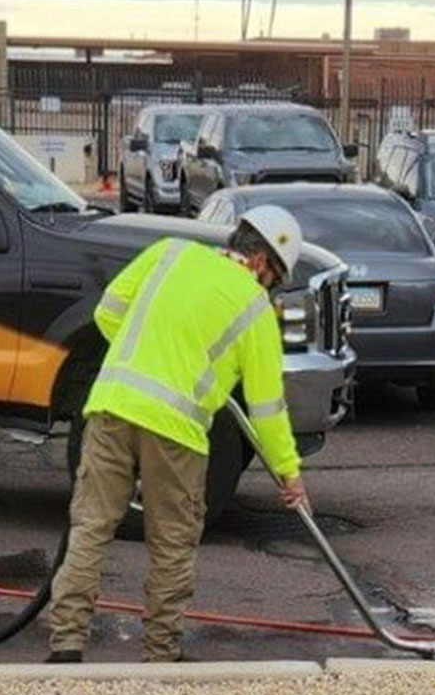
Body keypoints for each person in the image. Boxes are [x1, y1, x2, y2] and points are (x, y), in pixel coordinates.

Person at [48, 205, 309, 664]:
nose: (269, 287)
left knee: (90, 528)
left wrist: (149, 356)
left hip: (111, 406)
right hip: (176, 434)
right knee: (171, 543)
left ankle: (66, 645)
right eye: (274, 278)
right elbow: (268, 408)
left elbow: (110, 312)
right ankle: (160, 654)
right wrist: (289, 473)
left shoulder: (169, 253)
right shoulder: (255, 309)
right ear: (264, 264)